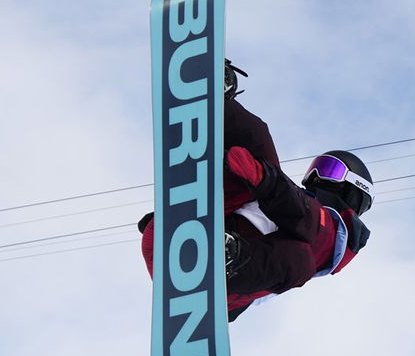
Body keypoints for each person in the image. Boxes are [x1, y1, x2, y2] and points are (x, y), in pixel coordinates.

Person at [139, 62, 373, 322]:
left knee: (299, 260)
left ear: (354, 191)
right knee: (257, 137)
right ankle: (212, 101)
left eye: (329, 168)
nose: (315, 176)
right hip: (183, 239)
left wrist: (265, 178)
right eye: (316, 167)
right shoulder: (301, 204)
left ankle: (225, 257)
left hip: (213, 278)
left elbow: (301, 217)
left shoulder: (335, 234)